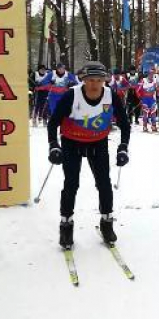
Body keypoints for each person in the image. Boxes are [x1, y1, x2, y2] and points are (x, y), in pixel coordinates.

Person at [47, 62, 131, 247]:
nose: (94, 84)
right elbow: (53, 122)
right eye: (90, 80)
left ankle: (107, 223)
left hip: (97, 143)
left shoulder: (111, 96)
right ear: (83, 80)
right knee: (71, 184)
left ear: (104, 81)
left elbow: (125, 124)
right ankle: (66, 226)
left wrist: (123, 147)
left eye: (99, 80)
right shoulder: (72, 95)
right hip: (72, 142)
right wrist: (53, 145)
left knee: (104, 183)